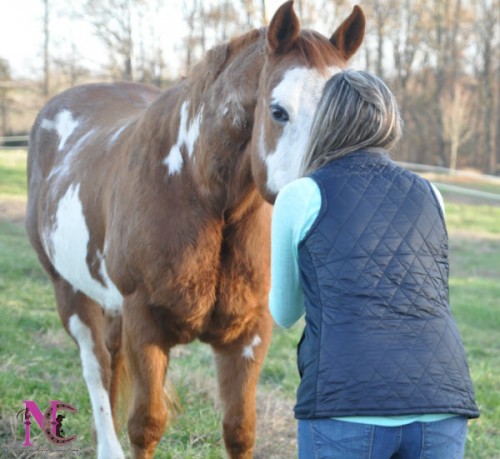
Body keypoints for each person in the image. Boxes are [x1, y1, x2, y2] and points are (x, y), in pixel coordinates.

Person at [269, 69, 479, 459]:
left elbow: (284, 313)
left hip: (345, 402)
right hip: (442, 400)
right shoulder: (430, 192)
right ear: (388, 120)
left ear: (326, 122)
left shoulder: (300, 195)